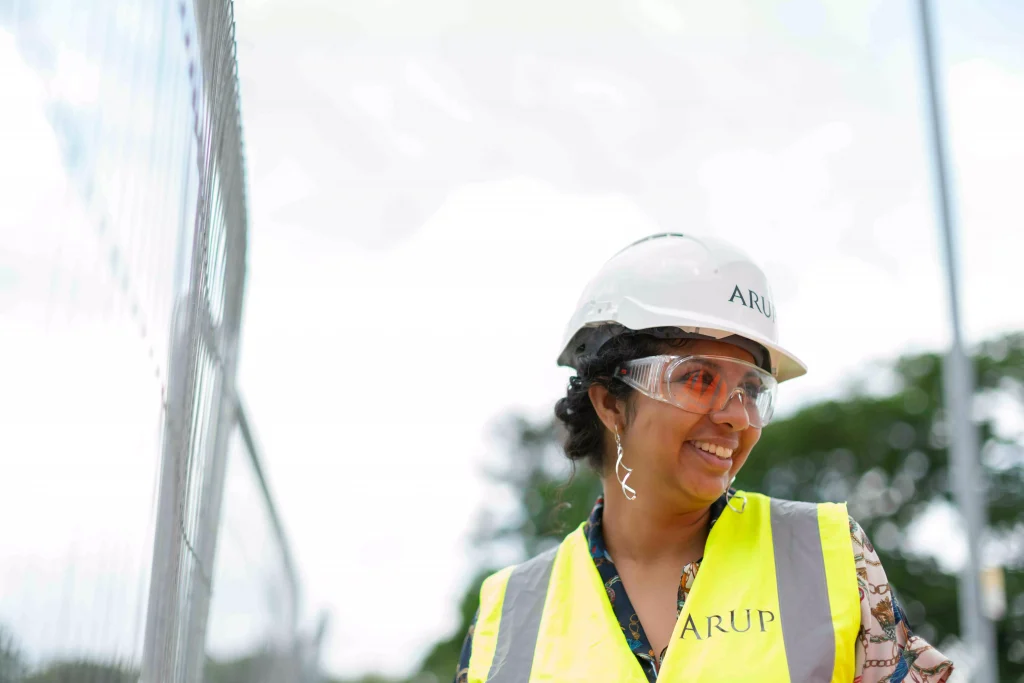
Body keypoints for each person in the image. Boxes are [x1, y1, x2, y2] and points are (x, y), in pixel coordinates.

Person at [454, 233, 954, 683]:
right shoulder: (509, 617)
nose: (738, 416)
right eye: (698, 379)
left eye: (753, 389)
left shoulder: (827, 558)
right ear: (609, 402)